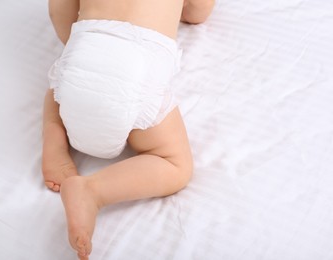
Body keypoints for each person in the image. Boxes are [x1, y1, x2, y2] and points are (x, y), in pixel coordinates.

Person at [41, 0, 215, 259]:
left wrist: (78, 50)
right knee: (174, 164)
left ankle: (54, 141)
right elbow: (197, 13)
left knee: (57, 92)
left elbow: (59, 11)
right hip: (135, 73)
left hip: (85, 57)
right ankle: (93, 191)